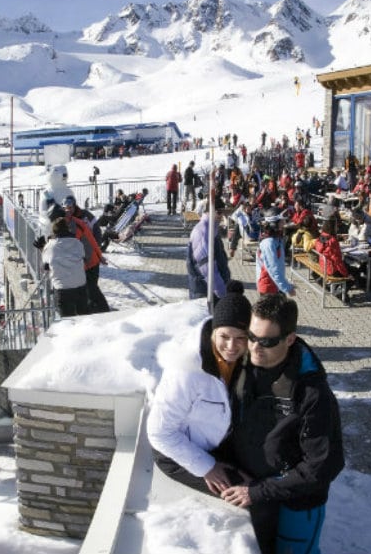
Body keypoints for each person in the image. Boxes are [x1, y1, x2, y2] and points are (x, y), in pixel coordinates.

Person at [222, 294, 344, 554]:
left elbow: (322, 466)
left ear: (289, 339)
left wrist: (260, 491)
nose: (255, 347)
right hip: (253, 487)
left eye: (266, 341)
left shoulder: (312, 392)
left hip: (297, 500)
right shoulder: (244, 364)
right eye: (251, 336)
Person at [147, 286, 250, 496]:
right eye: (225, 336)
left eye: (241, 337)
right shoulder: (187, 371)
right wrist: (207, 467)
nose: (232, 346)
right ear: (213, 332)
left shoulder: (242, 360)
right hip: (180, 453)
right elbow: (159, 433)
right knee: (245, 493)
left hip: (215, 442)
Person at [41, 218, 88, 317]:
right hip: (80, 285)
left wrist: (42, 246)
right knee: (84, 318)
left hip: (63, 288)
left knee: (67, 320)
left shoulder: (50, 246)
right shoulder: (78, 243)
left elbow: (46, 265)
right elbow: (82, 258)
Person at [187, 206, 232, 300]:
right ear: (211, 211)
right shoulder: (203, 232)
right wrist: (222, 292)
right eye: (219, 212)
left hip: (212, 290)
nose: (222, 216)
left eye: (223, 213)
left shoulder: (212, 228)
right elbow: (207, 268)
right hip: (205, 292)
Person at [255, 220, 295, 296]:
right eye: (281, 222)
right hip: (268, 286)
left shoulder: (276, 239)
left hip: (275, 284)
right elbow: (273, 268)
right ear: (274, 224)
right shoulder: (268, 243)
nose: (284, 224)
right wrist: (287, 288)